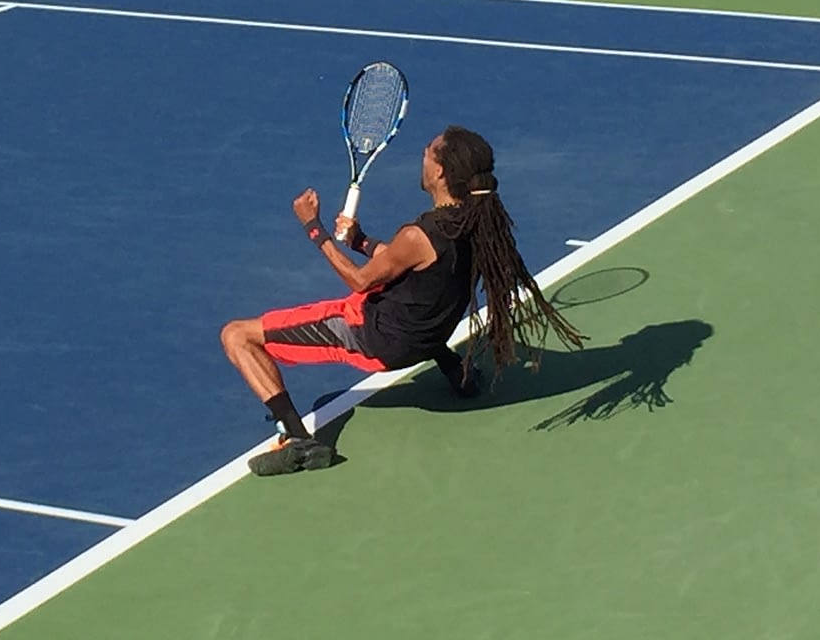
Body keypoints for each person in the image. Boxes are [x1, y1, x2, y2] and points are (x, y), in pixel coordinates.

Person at [220, 127, 584, 475]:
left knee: (236, 335)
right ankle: (453, 368)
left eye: (428, 152)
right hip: (427, 334)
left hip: (378, 340)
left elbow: (361, 280)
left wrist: (314, 229)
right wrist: (360, 240)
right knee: (419, 292)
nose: (423, 155)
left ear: (439, 172)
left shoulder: (419, 236)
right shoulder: (477, 223)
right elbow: (409, 264)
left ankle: (299, 441)